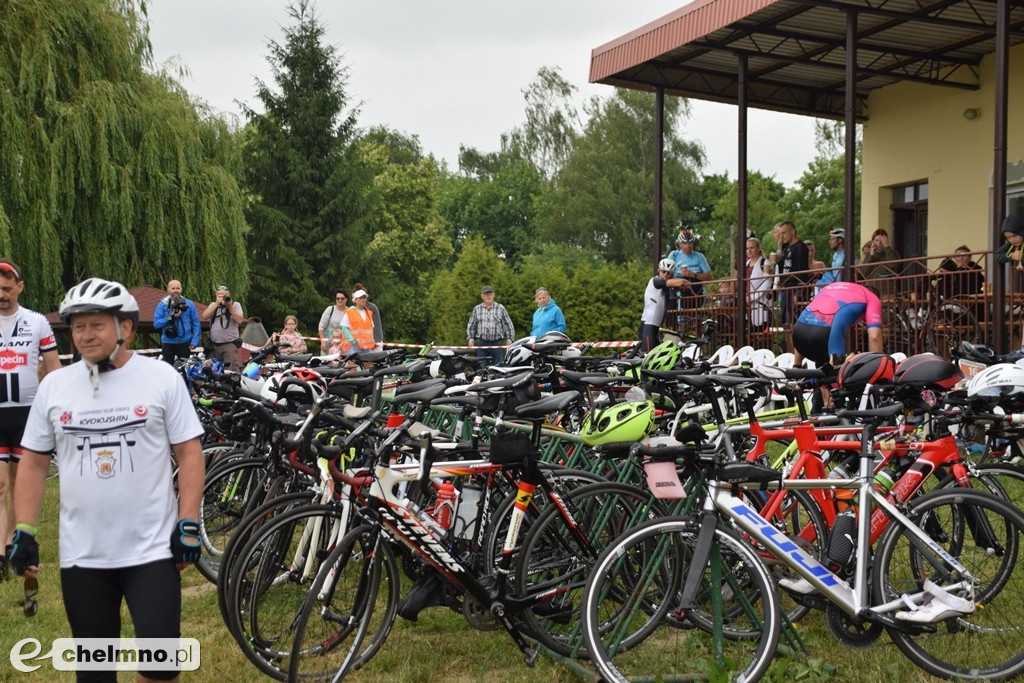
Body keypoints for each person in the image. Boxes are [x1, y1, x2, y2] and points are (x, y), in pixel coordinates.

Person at [10, 278, 205, 683]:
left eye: (96, 324)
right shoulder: (56, 387)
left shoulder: (161, 378)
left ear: (126, 328)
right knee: (95, 671)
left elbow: (189, 453)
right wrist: (25, 529)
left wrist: (188, 521)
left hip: (152, 552)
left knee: (161, 668)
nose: (85, 335)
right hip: (83, 556)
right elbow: (31, 464)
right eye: (77, 327)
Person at [0, 260, 61, 581]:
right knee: (0, 485)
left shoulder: (36, 322)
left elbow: (53, 368)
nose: (2, 295)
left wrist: (61, 407)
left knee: (17, 483)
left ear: (20, 287)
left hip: (27, 414)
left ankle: (11, 541)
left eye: (7, 289)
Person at [793, 281, 883, 366]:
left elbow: (808, 318)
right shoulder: (872, 297)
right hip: (825, 337)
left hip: (798, 336)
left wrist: (797, 366)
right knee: (839, 376)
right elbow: (874, 337)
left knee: (820, 375)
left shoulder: (830, 287)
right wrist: (878, 367)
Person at [639, 258, 686, 353]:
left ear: (672, 274)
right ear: (658, 270)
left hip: (655, 326)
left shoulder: (665, 287)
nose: (665, 275)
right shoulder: (655, 281)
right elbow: (681, 282)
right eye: (663, 272)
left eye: (668, 273)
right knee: (648, 356)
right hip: (648, 325)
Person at [152, 279, 201, 368]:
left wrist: (194, 341)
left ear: (181, 289)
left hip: (185, 341)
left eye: (178, 288)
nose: (175, 290)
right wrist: (171, 317)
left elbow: (196, 323)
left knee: (185, 369)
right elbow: (156, 324)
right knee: (167, 369)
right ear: (168, 290)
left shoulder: (189, 304)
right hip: (168, 341)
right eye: (173, 288)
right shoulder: (162, 305)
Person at [466, 285, 516, 367]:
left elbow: (508, 325)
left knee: (498, 369)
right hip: (482, 344)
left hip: (497, 344)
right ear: (482, 296)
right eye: (486, 294)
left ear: (493, 295)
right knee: (481, 369)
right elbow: (471, 325)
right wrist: (470, 340)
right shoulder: (477, 309)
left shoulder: (500, 308)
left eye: (490, 293)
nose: (488, 296)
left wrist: (510, 340)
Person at [667, 229, 713, 313]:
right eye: (684, 243)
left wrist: (692, 274)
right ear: (680, 244)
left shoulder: (699, 256)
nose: (687, 246)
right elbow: (666, 273)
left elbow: (709, 277)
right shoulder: (674, 255)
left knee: (696, 321)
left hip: (697, 293)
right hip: (679, 293)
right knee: (679, 319)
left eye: (690, 243)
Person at [200, 285, 245, 370]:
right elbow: (204, 316)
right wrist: (217, 303)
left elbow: (239, 320)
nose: (222, 298)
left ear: (229, 295)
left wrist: (229, 306)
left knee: (230, 370)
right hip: (214, 345)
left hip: (229, 344)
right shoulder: (213, 305)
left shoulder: (235, 305)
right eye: (220, 296)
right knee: (212, 370)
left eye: (224, 296)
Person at [860, 228, 902, 297]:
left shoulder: (892, 252)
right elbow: (864, 273)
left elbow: (893, 265)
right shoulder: (870, 255)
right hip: (871, 291)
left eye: (882, 241)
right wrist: (871, 255)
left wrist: (887, 247)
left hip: (887, 291)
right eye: (876, 240)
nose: (879, 243)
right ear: (873, 241)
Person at [745, 237, 773, 331]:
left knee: (761, 329)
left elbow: (768, 281)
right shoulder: (746, 264)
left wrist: (753, 297)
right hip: (748, 302)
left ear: (758, 248)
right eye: (747, 248)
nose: (749, 250)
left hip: (761, 301)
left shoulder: (764, 263)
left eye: (752, 248)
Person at [339, 289, 377, 355]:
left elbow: (371, 328)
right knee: (353, 365)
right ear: (355, 300)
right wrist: (352, 340)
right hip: (354, 346)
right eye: (360, 298)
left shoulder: (369, 313)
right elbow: (344, 327)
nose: (363, 299)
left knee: (367, 365)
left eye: (364, 297)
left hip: (366, 347)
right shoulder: (349, 312)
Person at [352, 282, 383, 349]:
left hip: (374, 345)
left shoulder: (372, 308)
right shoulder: (352, 310)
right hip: (359, 346)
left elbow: (377, 328)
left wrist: (374, 344)